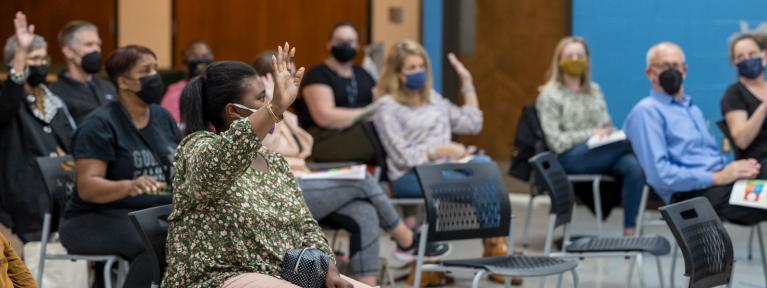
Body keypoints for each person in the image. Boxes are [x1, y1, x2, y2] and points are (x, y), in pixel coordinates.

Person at [164, 43, 371, 288]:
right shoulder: (195, 148)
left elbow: (305, 225)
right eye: (262, 98)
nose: (271, 100)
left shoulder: (273, 160)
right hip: (217, 277)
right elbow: (225, 157)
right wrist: (274, 108)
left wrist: (328, 266)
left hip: (281, 274)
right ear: (232, 111)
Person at [254, 52, 448, 285]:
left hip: (307, 185)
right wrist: (270, 106)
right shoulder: (257, 117)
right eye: (288, 75)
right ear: (268, 77)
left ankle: (367, 283)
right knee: (363, 179)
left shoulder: (288, 115)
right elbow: (269, 145)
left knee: (363, 210)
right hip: (284, 193)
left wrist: (282, 110)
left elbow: (304, 145)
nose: (294, 81)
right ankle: (406, 240)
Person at [373, 39, 516, 284]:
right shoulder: (387, 107)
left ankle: (494, 246)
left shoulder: (434, 99)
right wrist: (439, 150)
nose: (419, 72)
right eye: (411, 68)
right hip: (410, 175)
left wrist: (467, 82)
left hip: (444, 169)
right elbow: (401, 155)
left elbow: (472, 123)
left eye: (421, 67)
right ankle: (481, 252)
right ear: (398, 73)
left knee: (485, 167)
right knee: (481, 176)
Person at [59, 45, 178, 287]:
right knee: (156, 241)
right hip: (93, 219)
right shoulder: (99, 125)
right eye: (146, 70)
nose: (155, 76)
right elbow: (88, 188)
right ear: (123, 82)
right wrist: (128, 186)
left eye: (155, 68)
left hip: (150, 212)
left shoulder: (162, 117)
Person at [624, 42, 767, 225]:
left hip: (721, 183)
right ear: (650, 73)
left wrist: (734, 169)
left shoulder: (692, 109)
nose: (672, 71)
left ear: (685, 70)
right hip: (690, 196)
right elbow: (660, 175)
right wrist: (717, 177)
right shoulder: (646, 112)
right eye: (664, 66)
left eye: (676, 66)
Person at [535, 36, 644, 236]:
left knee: (633, 167)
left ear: (587, 60)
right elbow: (555, 142)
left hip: (601, 152)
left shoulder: (594, 90)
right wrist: (590, 134)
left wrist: (606, 133)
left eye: (580, 55)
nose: (575, 59)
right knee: (630, 144)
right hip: (568, 157)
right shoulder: (549, 95)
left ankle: (630, 230)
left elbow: (606, 125)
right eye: (570, 55)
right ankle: (634, 146)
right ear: (559, 60)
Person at [0, 12, 76, 238]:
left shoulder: (54, 100)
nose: (41, 64)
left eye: (44, 59)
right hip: (25, 202)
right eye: (34, 59)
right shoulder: (7, 100)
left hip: (61, 195)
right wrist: (21, 51)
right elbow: (9, 101)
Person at [295, 22, 380, 164]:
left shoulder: (364, 74)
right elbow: (325, 116)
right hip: (327, 139)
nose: (346, 45)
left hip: (362, 136)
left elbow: (381, 105)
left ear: (358, 46)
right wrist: (367, 112)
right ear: (329, 44)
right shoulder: (318, 75)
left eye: (350, 41)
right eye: (340, 41)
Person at [50, 20, 115, 124]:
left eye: (98, 45)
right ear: (68, 51)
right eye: (89, 44)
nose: (96, 50)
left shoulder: (109, 88)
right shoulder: (54, 95)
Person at [721, 33, 767, 177]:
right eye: (740, 57)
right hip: (757, 166)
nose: (747, 59)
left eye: (752, 53)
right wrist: (763, 108)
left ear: (763, 56)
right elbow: (741, 140)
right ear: (735, 63)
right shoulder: (734, 94)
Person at [161, 40, 214, 124]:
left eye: (205, 56)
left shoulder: (219, 85)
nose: (201, 61)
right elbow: (170, 123)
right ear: (183, 65)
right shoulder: (176, 91)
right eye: (194, 57)